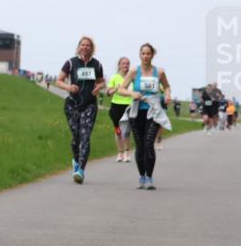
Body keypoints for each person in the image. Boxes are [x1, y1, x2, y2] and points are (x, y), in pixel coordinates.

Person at [118, 43, 172, 190]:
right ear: (140, 55)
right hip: (136, 112)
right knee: (140, 145)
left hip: (153, 112)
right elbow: (121, 89)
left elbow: (167, 86)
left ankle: (149, 177)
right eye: (143, 53)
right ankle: (141, 175)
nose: (146, 56)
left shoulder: (159, 72)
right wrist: (131, 93)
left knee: (148, 143)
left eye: (148, 53)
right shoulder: (134, 71)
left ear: (152, 55)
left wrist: (167, 94)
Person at [54, 37, 105, 184]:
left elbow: (101, 82)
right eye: (83, 45)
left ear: (92, 48)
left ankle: (81, 171)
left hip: (90, 104)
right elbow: (58, 81)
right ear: (79, 47)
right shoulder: (71, 63)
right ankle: (76, 160)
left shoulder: (97, 64)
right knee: (76, 137)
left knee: (85, 136)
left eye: (88, 45)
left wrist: (98, 88)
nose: (85, 47)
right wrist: (69, 87)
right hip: (72, 104)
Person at [106, 57, 133, 163]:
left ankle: (127, 153)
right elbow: (108, 93)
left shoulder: (132, 77)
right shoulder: (114, 77)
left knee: (126, 131)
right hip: (116, 106)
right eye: (123, 63)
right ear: (119, 65)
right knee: (118, 131)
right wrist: (115, 89)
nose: (126, 65)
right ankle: (120, 153)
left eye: (127, 63)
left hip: (129, 106)